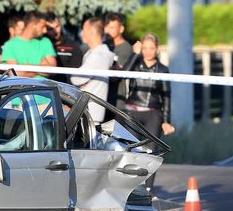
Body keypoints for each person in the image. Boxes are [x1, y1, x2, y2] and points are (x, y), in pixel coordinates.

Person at [122, 34, 174, 194]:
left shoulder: (163, 69)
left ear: (157, 49)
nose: (148, 51)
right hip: (133, 111)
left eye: (151, 48)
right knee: (131, 150)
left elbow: (166, 97)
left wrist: (166, 120)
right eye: (144, 48)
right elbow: (124, 73)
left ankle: (149, 188)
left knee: (150, 152)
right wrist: (134, 54)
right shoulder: (136, 63)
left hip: (153, 113)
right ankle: (129, 189)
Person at [71, 17, 115, 123]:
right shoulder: (97, 53)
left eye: (84, 29)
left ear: (91, 31)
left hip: (89, 114)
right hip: (87, 111)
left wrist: (80, 82)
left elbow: (75, 79)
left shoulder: (98, 55)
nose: (81, 33)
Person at [1, 11, 56, 78]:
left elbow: (53, 69)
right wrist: (40, 68)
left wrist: (27, 68)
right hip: (21, 87)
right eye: (42, 27)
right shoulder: (10, 45)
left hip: (44, 87)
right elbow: (15, 74)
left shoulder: (45, 42)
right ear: (32, 25)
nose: (45, 31)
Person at [104, 12, 134, 109]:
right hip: (103, 98)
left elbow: (115, 76)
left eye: (112, 27)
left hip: (117, 101)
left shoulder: (126, 48)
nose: (108, 30)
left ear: (121, 29)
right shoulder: (103, 46)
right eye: (107, 27)